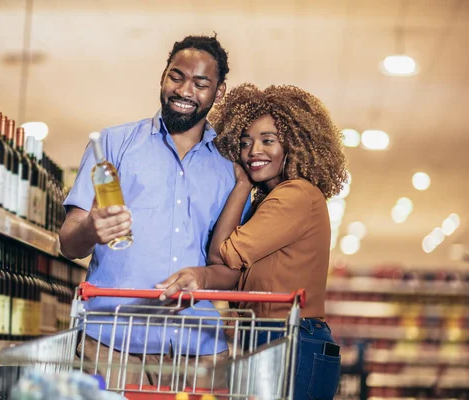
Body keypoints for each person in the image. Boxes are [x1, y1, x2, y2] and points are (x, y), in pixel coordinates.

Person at [60, 34, 241, 389]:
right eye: (177, 76)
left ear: (218, 93)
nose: (185, 90)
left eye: (201, 83)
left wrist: (201, 277)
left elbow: (231, 269)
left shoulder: (230, 168)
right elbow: (69, 243)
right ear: (163, 76)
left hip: (197, 347)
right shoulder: (115, 144)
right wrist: (90, 231)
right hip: (112, 344)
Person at [156, 83, 348, 400]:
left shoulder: (295, 195)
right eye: (245, 142)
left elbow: (222, 254)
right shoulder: (271, 200)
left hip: (289, 339)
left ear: (296, 144)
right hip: (272, 336)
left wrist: (241, 185)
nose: (253, 151)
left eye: (267, 141)